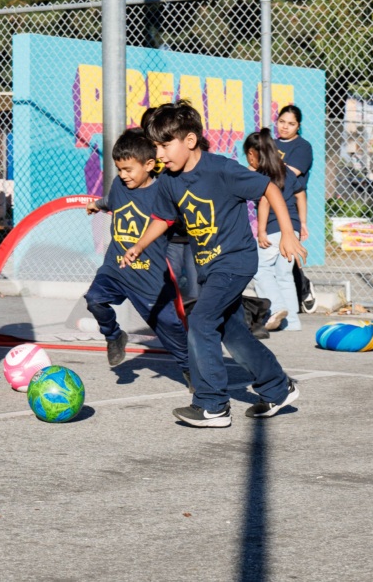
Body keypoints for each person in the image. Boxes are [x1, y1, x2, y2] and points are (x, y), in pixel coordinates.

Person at [123, 100, 305, 428]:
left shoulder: (220, 169)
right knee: (231, 332)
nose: (159, 154)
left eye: (165, 145)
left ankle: (212, 405)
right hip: (209, 266)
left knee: (203, 321)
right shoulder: (168, 181)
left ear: (189, 141)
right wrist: (138, 245)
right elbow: (163, 218)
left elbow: (268, 188)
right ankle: (278, 388)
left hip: (234, 260)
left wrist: (288, 233)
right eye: (155, 147)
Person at [84, 129, 191, 387]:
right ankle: (114, 336)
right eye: (119, 169)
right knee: (94, 299)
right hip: (116, 269)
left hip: (148, 276)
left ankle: (192, 370)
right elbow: (114, 201)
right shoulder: (119, 185)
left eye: (129, 169)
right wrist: (98, 204)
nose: (123, 175)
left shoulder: (162, 193)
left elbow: (175, 220)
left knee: (169, 327)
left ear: (149, 165)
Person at [244, 128, 306, 332]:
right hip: (292, 229)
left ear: (253, 154)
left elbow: (264, 201)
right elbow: (300, 194)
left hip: (273, 229)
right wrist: (302, 224)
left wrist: (261, 230)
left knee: (260, 268)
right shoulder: (285, 169)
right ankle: (292, 323)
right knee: (284, 274)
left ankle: (277, 307)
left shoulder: (262, 175)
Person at [275, 104, 316, 313]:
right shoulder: (271, 144)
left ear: (298, 126)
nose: (285, 127)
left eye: (291, 124)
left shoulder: (302, 147)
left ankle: (303, 288)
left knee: (288, 254)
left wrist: (303, 222)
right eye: (282, 122)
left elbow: (291, 172)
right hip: (270, 205)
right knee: (274, 257)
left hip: (290, 205)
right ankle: (282, 303)